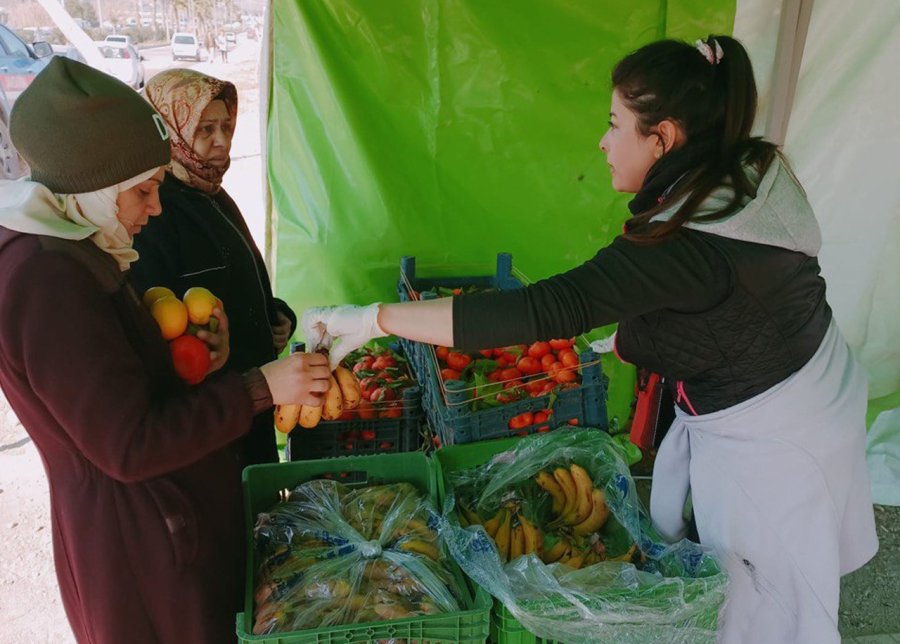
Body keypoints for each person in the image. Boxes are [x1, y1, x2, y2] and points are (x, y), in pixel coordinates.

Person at [300, 36, 878, 643]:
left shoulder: (687, 241)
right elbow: (720, 307)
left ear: (664, 138)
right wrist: (634, 341)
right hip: (808, 383)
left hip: (776, 441)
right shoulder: (737, 170)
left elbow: (545, 309)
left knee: (770, 608)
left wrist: (376, 320)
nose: (602, 142)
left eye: (615, 124)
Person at [0, 57, 331, 643]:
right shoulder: (46, 283)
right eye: (144, 191)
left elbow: (124, 383)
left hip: (171, 517)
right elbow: (128, 444)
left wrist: (203, 356)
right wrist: (261, 386)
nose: (155, 208)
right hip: (141, 546)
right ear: (92, 188)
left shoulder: (82, 244)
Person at [133, 69, 294, 466]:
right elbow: (163, 323)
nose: (222, 141)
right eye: (205, 129)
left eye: (225, 126)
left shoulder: (212, 195)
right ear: (170, 129)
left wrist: (275, 315)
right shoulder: (153, 213)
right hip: (211, 425)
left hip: (249, 406)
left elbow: (238, 281)